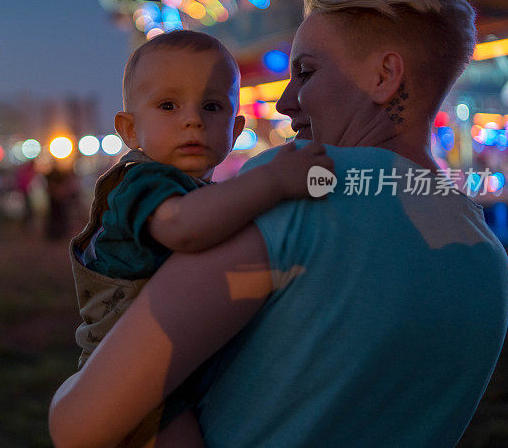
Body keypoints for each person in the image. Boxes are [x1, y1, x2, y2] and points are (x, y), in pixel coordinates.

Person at [49, 0, 508, 447]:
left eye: (306, 73)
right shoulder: (486, 258)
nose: (285, 102)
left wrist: (70, 390)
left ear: (384, 76)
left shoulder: (302, 186)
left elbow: (82, 424)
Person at [68, 30, 333, 445]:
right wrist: (274, 181)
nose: (192, 119)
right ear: (130, 130)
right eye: (168, 105)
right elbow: (184, 228)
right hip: (132, 375)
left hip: (173, 365)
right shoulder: (140, 181)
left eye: (212, 106)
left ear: (235, 126)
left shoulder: (197, 191)